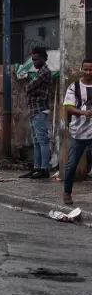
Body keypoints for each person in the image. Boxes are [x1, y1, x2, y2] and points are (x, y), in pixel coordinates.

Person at [62, 62, 92, 205]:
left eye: (90, 70)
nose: (88, 72)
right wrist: (84, 113)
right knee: (71, 165)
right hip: (78, 133)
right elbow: (68, 107)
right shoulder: (74, 87)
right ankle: (67, 193)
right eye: (85, 69)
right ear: (82, 70)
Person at [21, 47, 53, 179]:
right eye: (33, 59)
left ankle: (44, 169)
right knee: (36, 142)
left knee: (42, 141)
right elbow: (29, 88)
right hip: (34, 109)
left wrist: (31, 89)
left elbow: (28, 87)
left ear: (43, 59)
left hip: (40, 109)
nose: (34, 62)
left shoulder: (44, 72)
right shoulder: (40, 71)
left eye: (36, 59)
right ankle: (37, 167)